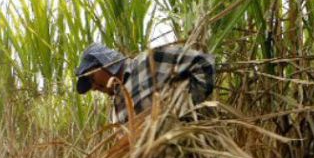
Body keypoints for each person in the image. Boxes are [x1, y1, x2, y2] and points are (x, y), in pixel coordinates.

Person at [74, 42, 216, 124]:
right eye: (90, 85)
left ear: (107, 63)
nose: (93, 87)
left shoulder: (148, 62)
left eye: (92, 77)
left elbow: (203, 63)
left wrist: (184, 110)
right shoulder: (114, 112)